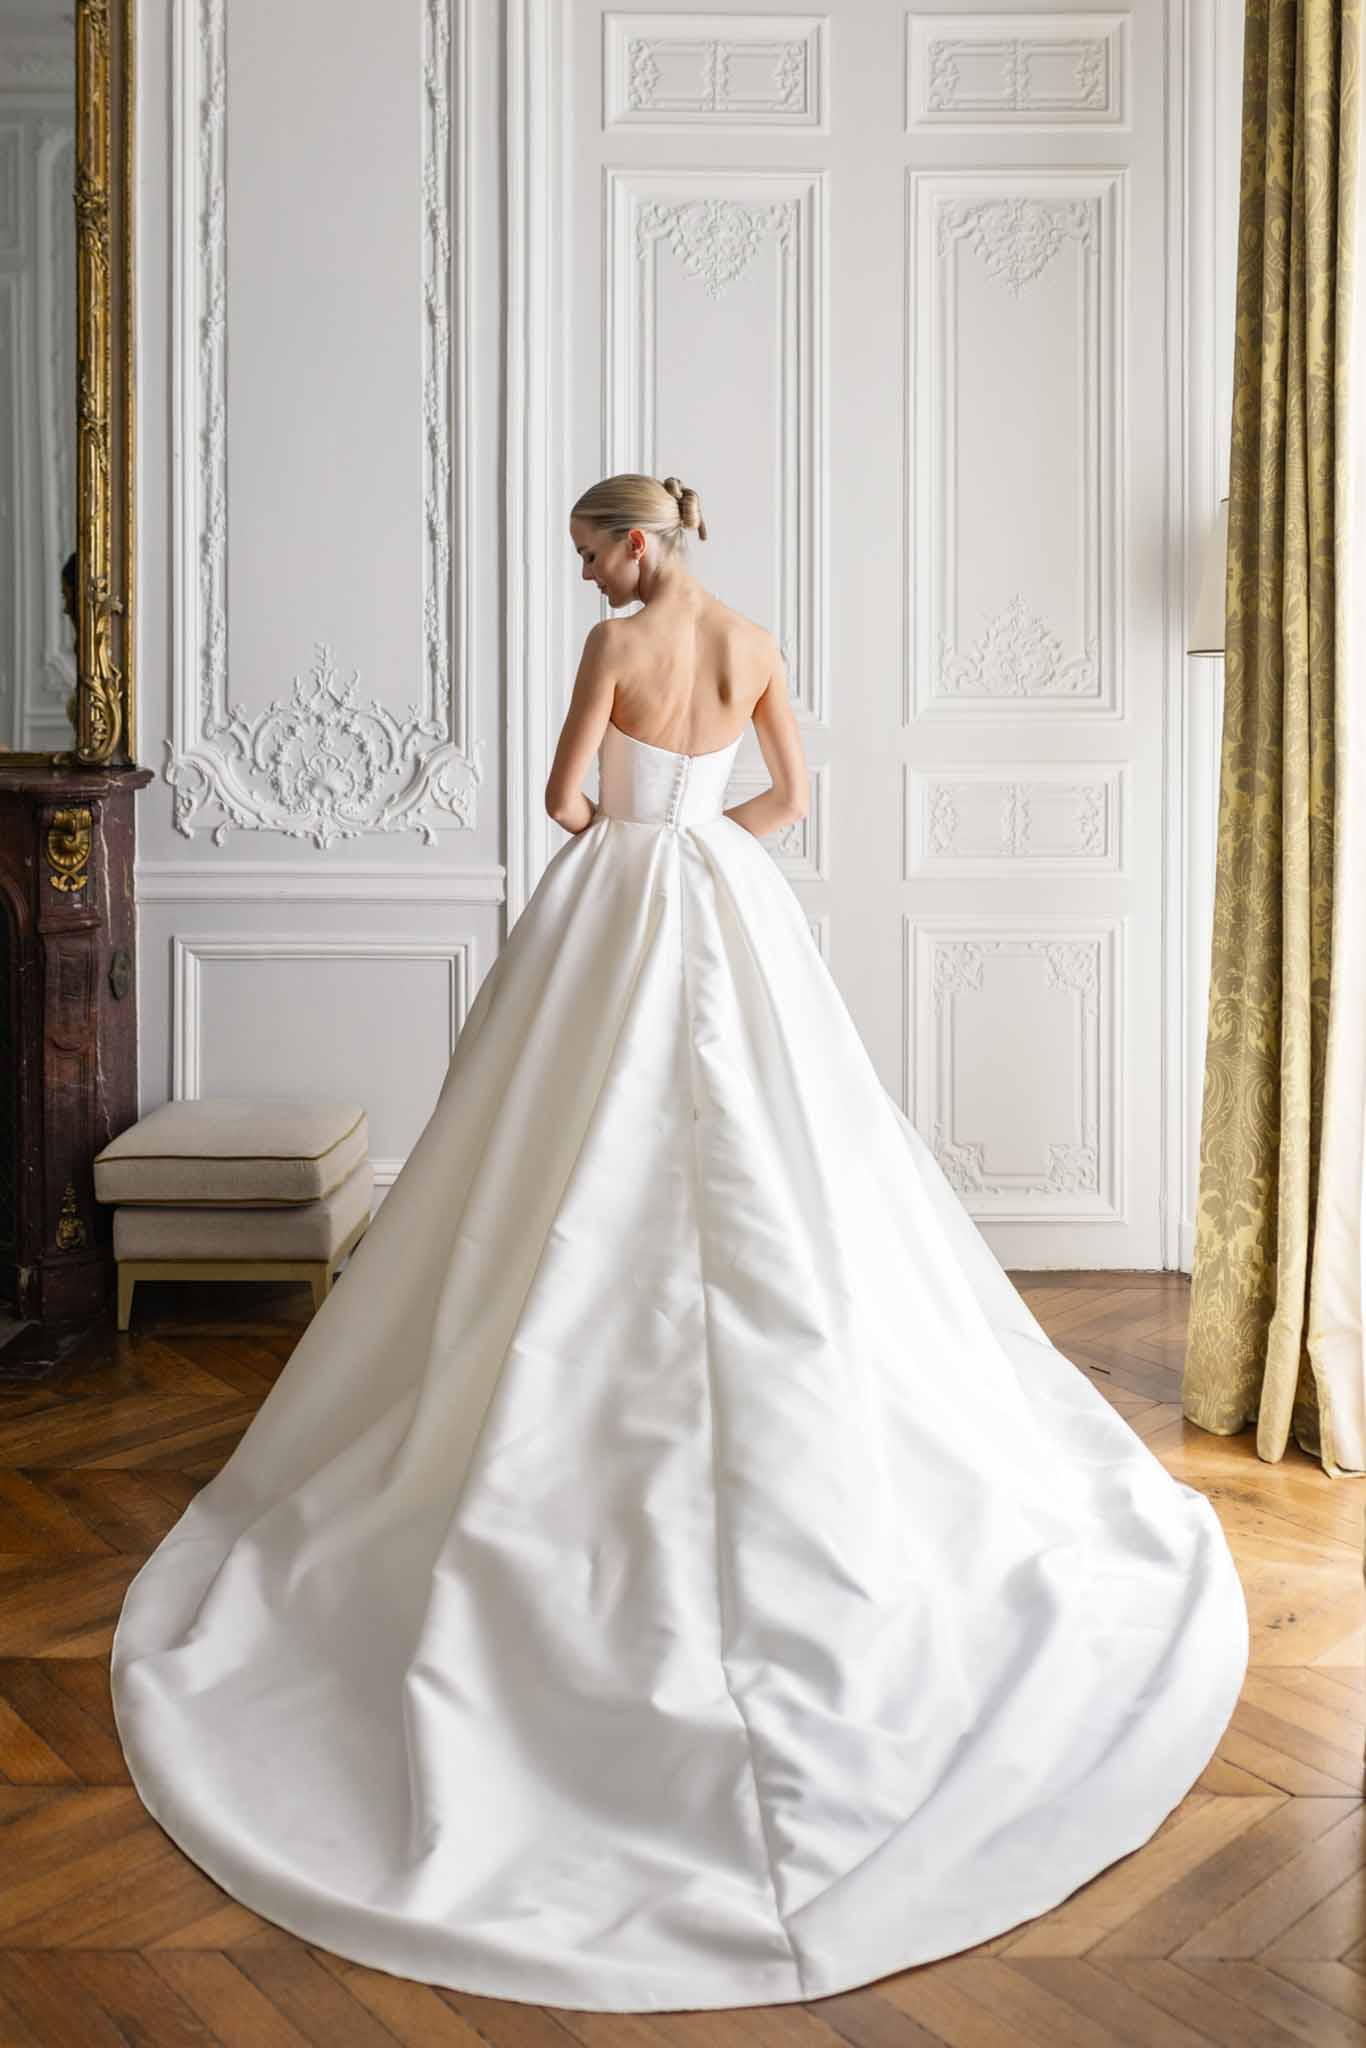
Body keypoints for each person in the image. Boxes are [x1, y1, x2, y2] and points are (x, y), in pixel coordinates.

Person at [111, 470, 1249, 2014]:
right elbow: (787, 798)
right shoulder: (757, 638)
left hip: (622, 901)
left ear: (638, 544)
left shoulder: (616, 650)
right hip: (725, 893)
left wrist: (630, 825)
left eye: (591, 555)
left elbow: (565, 801)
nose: (584, 581)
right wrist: (712, 834)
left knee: (554, 1153)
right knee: (785, 1157)